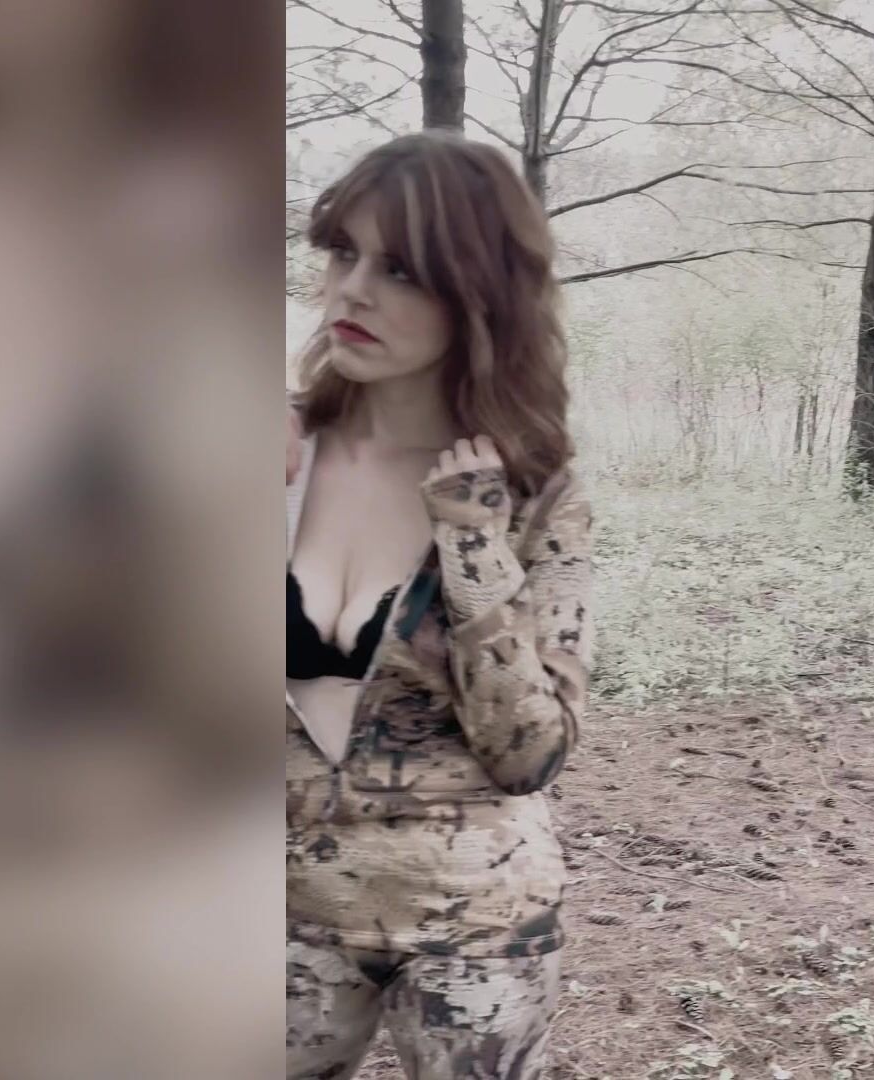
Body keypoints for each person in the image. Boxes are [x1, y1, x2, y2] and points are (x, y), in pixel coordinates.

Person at [284, 130, 591, 1080]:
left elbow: (529, 753)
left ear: (480, 297)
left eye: (402, 270)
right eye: (343, 252)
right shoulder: (269, 450)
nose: (351, 291)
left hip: (476, 926)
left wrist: (473, 546)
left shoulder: (537, 493)